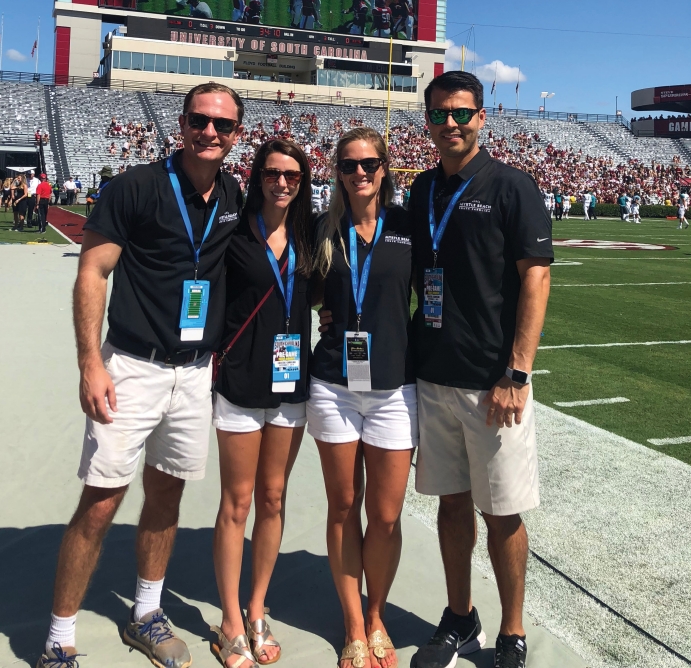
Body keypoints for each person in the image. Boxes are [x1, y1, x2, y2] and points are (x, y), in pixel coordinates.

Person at [35, 83, 245, 668]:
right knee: (101, 501)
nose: (210, 132)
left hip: (194, 372)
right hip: (131, 364)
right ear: (181, 124)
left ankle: (146, 612)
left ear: (237, 134)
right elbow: (93, 273)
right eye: (200, 121)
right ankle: (59, 635)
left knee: (166, 495)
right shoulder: (136, 186)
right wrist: (90, 362)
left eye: (223, 125)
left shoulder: (232, 193)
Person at [410, 71, 552, 668]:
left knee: (502, 512)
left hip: (494, 383)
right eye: (441, 114)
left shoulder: (512, 186)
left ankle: (512, 630)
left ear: (482, 118)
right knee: (449, 504)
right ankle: (461, 616)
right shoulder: (421, 190)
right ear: (428, 121)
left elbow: (536, 276)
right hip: (434, 375)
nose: (451, 124)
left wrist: (517, 372)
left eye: (461, 113)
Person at [310, 127, 416, 668]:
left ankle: (378, 613)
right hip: (333, 386)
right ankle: (355, 623)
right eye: (349, 165)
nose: (360, 173)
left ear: (385, 168)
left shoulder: (407, 225)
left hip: (396, 387)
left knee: (388, 513)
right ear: (338, 172)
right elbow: (295, 289)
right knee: (344, 504)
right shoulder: (321, 228)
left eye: (370, 164)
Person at [211, 140, 314, 668]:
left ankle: (256, 608)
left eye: (292, 175)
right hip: (241, 377)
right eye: (273, 173)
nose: (282, 182)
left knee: (273, 497)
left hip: (291, 382)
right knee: (238, 500)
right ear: (258, 177)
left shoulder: (308, 232)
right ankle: (230, 619)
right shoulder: (235, 228)